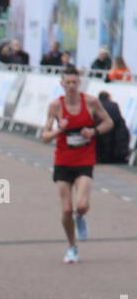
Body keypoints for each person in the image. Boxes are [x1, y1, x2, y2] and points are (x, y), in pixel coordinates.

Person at [40, 68, 113, 263]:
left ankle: (80, 217)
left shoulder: (90, 102)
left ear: (79, 83)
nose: (71, 86)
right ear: (62, 84)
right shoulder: (55, 106)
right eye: (68, 83)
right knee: (66, 209)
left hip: (85, 160)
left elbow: (109, 123)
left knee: (81, 205)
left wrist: (93, 132)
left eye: (74, 82)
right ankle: (72, 247)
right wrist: (59, 130)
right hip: (63, 161)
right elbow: (45, 137)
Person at [95, 90, 130, 163]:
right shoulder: (114, 105)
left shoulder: (95, 105)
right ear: (108, 97)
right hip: (112, 128)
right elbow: (118, 117)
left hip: (98, 128)